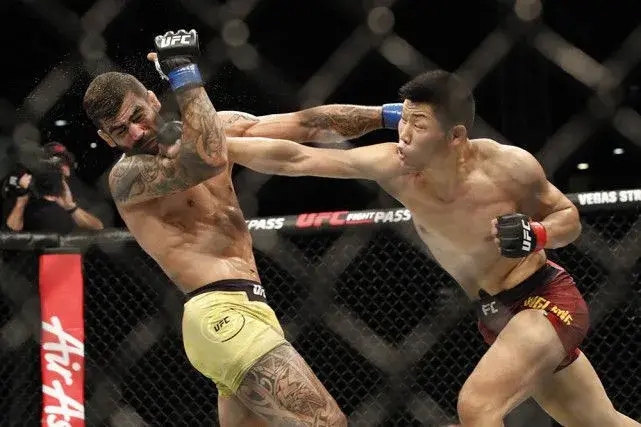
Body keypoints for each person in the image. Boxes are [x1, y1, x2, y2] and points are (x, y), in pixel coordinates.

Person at [227, 70, 641, 427]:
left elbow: (568, 217)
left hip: (544, 300)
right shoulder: (396, 168)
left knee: (477, 406)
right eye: (403, 120)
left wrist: (538, 234)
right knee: (601, 422)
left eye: (419, 124)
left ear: (455, 135)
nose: (404, 133)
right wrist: (217, 147)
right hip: (494, 314)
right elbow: (297, 159)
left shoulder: (507, 167)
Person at [82, 29, 401, 426]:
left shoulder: (215, 128)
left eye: (137, 117)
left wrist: (390, 115)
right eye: (119, 130)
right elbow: (207, 160)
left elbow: (306, 124)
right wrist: (184, 75)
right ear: (105, 138)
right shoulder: (127, 177)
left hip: (252, 310)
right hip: (219, 314)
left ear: (152, 100)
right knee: (326, 421)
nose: (136, 133)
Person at [2, 142, 105, 233]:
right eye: (52, 165)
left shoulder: (80, 191)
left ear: (69, 168)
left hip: (72, 248)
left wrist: (71, 207)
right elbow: (11, 235)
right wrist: (22, 200)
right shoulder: (28, 190)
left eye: (64, 163)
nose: (60, 168)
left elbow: (98, 228)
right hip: (36, 248)